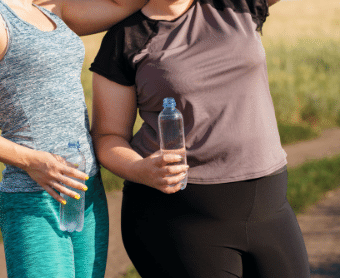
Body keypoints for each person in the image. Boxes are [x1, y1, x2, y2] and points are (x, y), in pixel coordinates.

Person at [0, 0, 147, 277]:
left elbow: (127, 5)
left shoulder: (54, 10)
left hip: (86, 188)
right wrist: (31, 161)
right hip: (36, 196)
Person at [89, 0, 311, 277]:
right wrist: (138, 169)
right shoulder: (127, 37)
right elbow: (107, 136)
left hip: (271, 209)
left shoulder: (236, 5)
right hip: (180, 220)